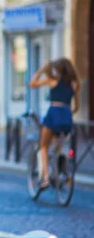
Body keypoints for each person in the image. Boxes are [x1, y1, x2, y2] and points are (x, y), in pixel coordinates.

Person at [29, 58, 80, 188]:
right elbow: (76, 107)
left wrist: (41, 70)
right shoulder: (74, 84)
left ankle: (45, 178)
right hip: (66, 117)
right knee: (59, 146)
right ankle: (61, 170)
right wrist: (67, 113)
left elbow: (32, 84)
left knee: (44, 146)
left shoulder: (53, 81)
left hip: (54, 114)